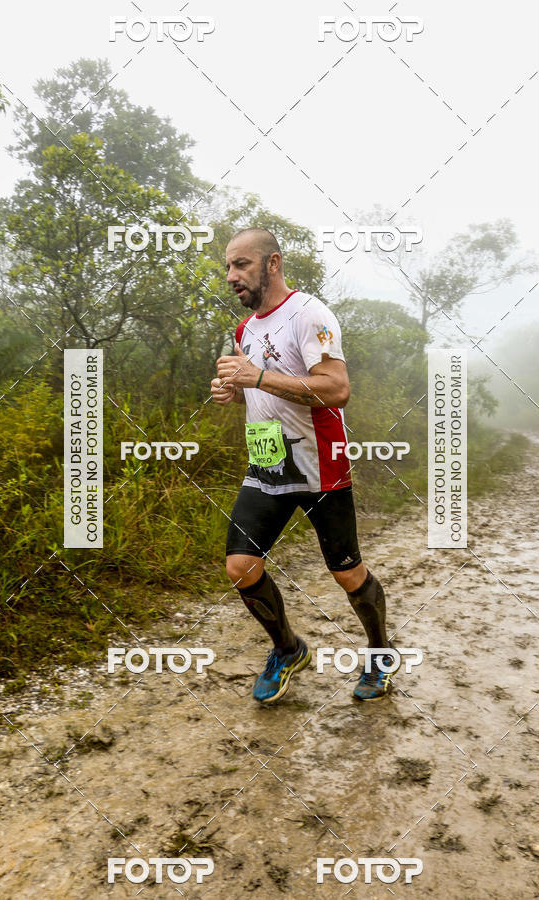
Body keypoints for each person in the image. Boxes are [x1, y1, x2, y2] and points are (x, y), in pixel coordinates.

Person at [210, 227, 397, 704]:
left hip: (320, 465)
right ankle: (288, 649)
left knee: (346, 572)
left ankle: (380, 654)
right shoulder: (244, 330)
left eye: (242, 265)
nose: (231, 276)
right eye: (228, 267)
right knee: (240, 565)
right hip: (268, 462)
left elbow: (336, 389)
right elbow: (261, 389)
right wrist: (236, 390)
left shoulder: (310, 314)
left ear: (272, 264)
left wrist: (259, 376)